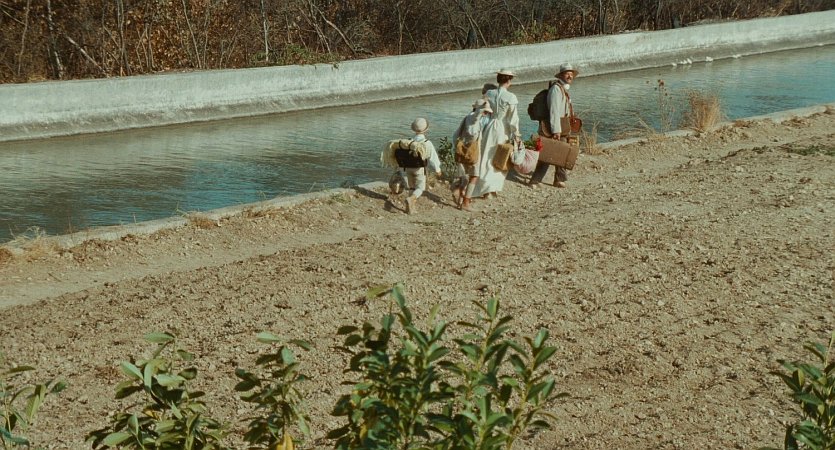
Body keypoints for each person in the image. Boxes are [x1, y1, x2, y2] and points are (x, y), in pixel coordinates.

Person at [471, 69, 521, 199]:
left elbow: (482, 110)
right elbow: (513, 119)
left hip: (489, 126)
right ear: (509, 80)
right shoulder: (511, 97)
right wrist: (516, 134)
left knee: (486, 155)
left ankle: (485, 188)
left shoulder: (489, 93)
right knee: (500, 156)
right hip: (502, 129)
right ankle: (492, 188)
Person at [529, 63, 579, 188]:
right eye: (567, 74)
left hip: (562, 126)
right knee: (547, 153)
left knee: (562, 152)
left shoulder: (562, 89)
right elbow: (554, 111)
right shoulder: (556, 90)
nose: (570, 76)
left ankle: (559, 179)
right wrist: (556, 130)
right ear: (561, 75)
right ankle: (535, 180)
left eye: (571, 74)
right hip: (555, 127)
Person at [451, 98, 492, 211]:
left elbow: (455, 135)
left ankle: (460, 196)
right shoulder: (474, 118)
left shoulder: (467, 117)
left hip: (462, 150)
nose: (486, 113)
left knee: (464, 176)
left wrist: (457, 147)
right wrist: (482, 108)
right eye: (485, 111)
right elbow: (476, 116)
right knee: (474, 176)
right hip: (472, 151)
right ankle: (466, 202)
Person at [402, 117, 441, 214]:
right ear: (426, 130)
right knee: (420, 188)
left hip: (408, 168)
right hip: (419, 169)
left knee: (411, 187)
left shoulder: (409, 141)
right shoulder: (427, 143)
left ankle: (410, 209)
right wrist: (437, 169)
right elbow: (433, 158)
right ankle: (411, 199)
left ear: (413, 129)